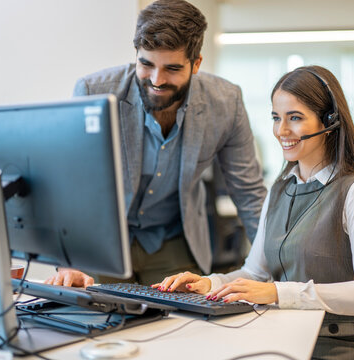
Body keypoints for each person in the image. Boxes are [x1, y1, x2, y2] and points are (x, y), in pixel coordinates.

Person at [155, 65, 354, 359]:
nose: (281, 131)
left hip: (340, 345)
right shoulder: (280, 189)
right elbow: (254, 273)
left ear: (330, 121)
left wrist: (279, 293)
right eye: (276, 118)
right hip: (283, 336)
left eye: (295, 118)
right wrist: (210, 283)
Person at [45, 0, 266, 287]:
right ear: (136, 54)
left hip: (172, 239)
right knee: (100, 323)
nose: (157, 80)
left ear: (196, 63)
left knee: (182, 324)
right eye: (146, 64)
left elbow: (249, 194)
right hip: (102, 241)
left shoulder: (226, 102)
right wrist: (67, 261)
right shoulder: (93, 92)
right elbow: (69, 184)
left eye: (172, 68)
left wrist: (272, 270)